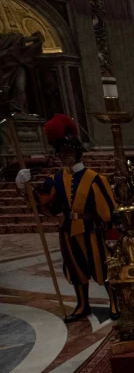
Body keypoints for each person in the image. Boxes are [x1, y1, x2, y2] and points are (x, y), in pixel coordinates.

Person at [15, 114, 119, 323]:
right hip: (68, 231)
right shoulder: (55, 180)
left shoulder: (95, 179)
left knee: (104, 267)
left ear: (78, 152)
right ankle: (82, 304)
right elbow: (45, 202)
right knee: (74, 268)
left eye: (69, 152)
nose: (65, 156)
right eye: (62, 153)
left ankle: (115, 302)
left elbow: (108, 210)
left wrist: (112, 235)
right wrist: (23, 186)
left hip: (92, 230)